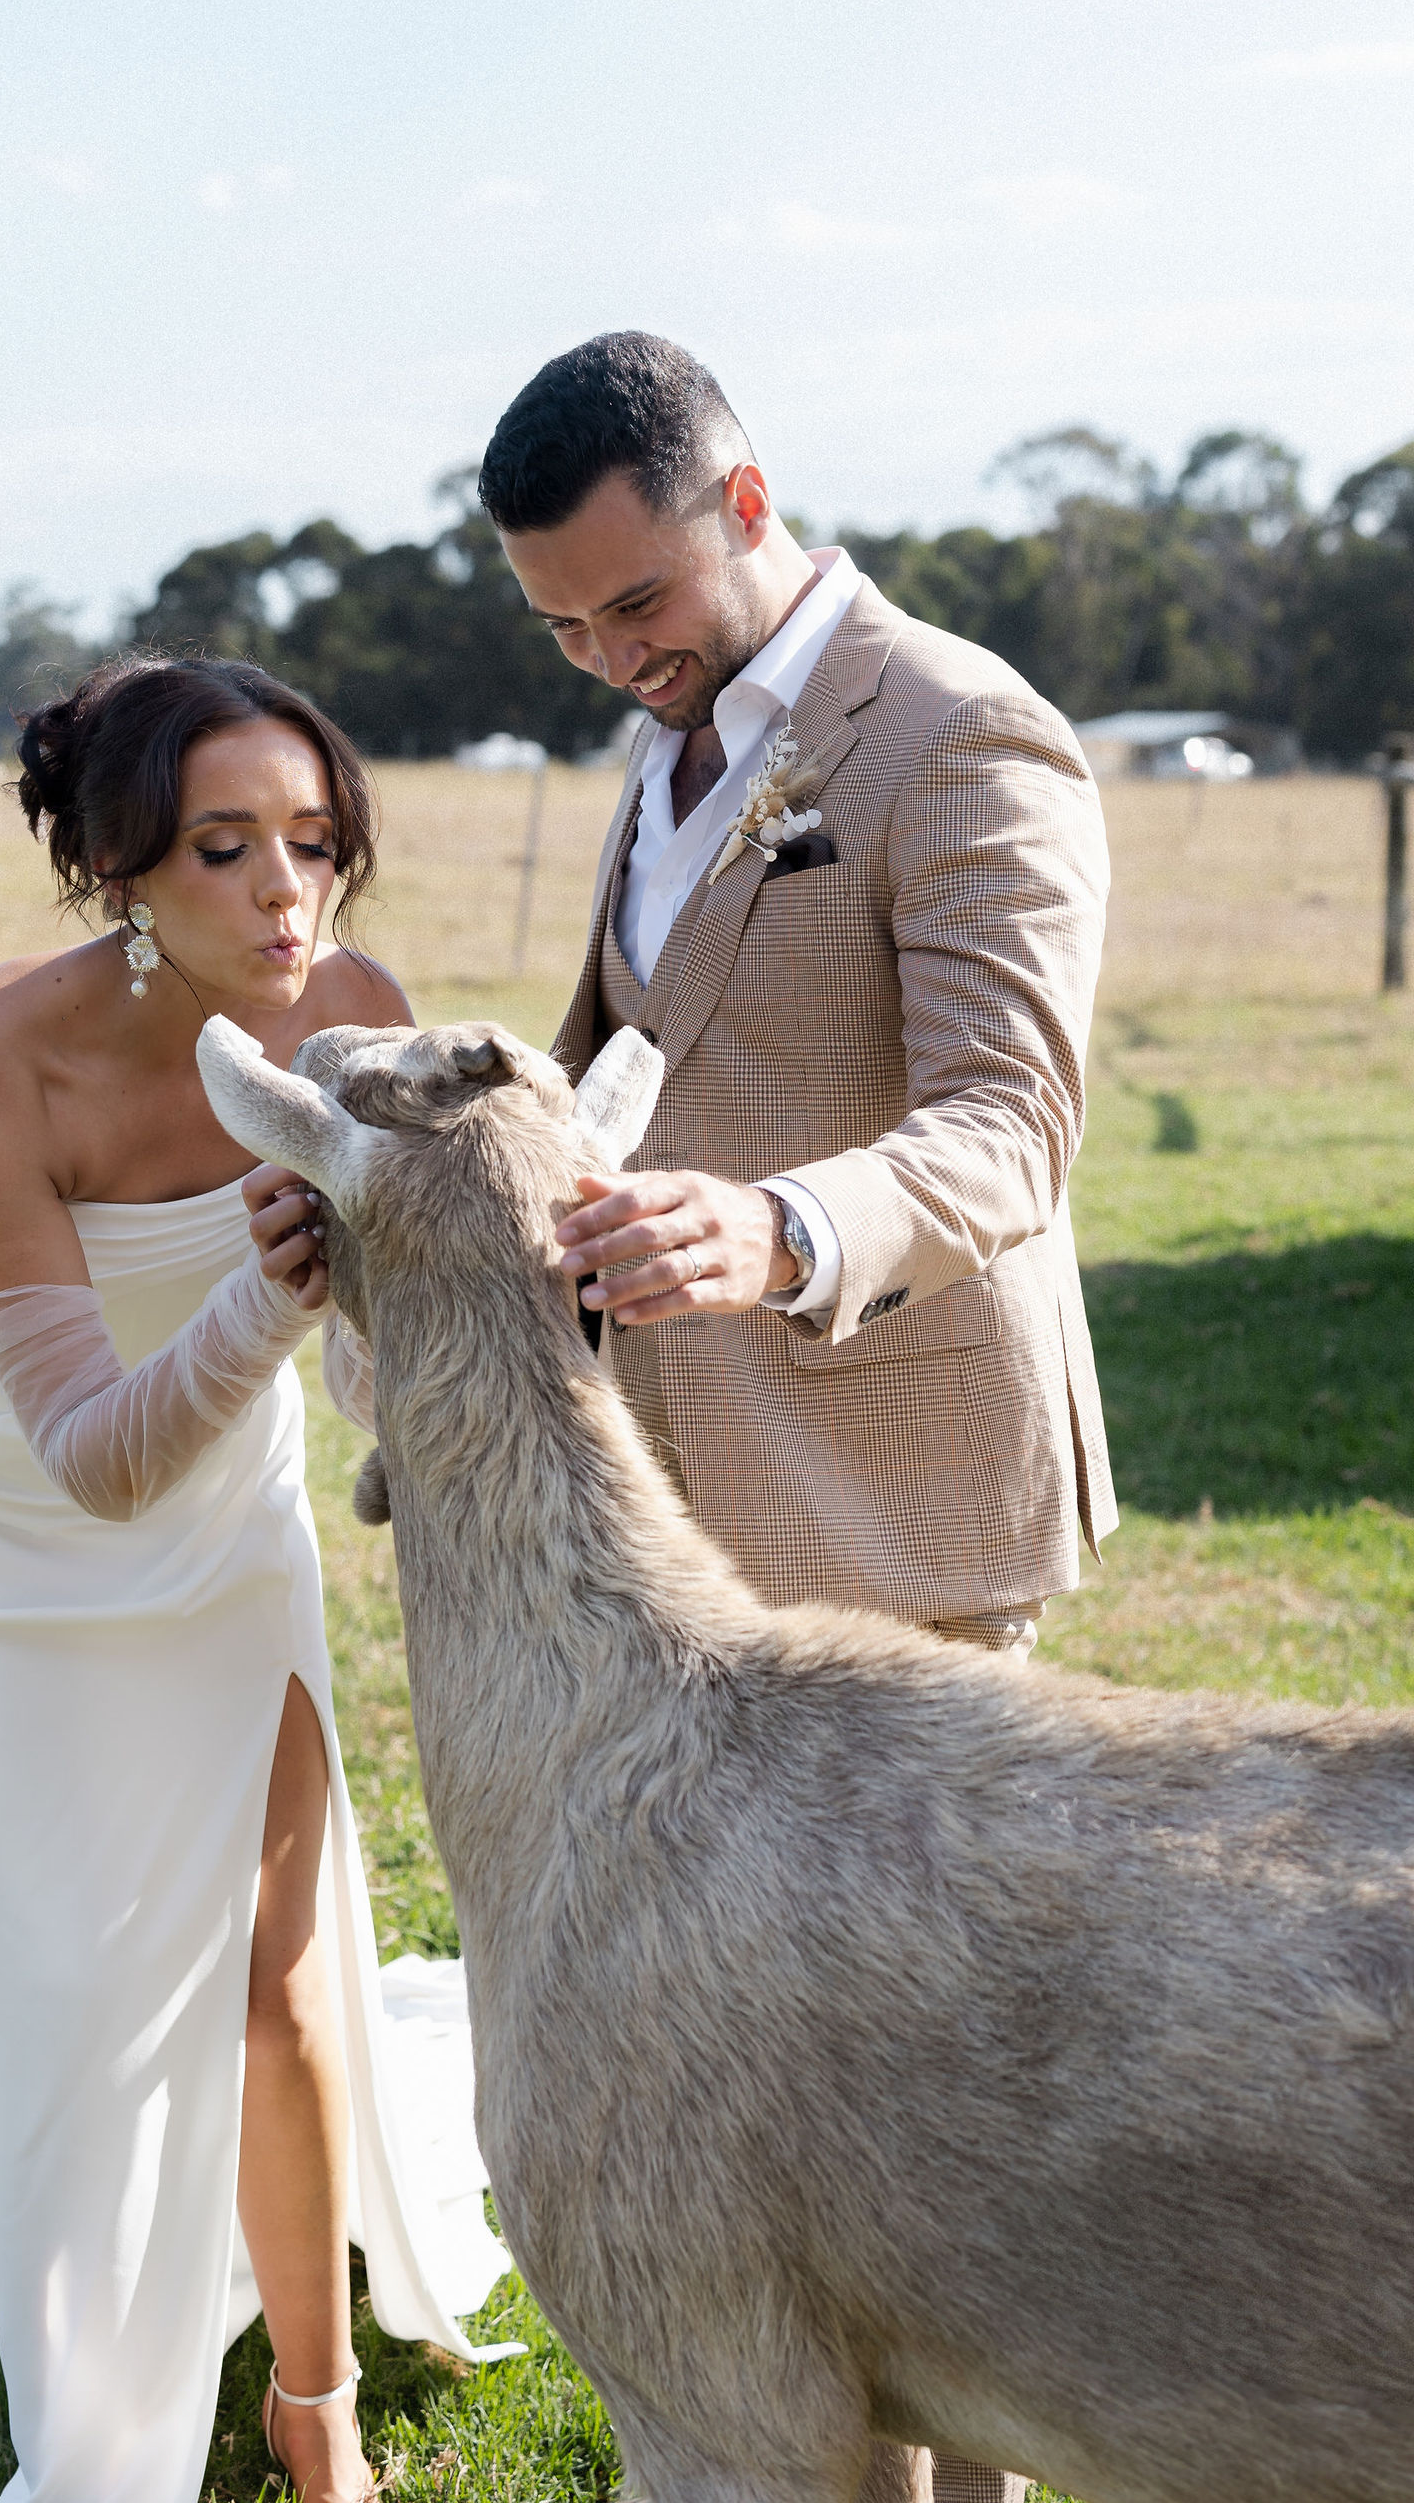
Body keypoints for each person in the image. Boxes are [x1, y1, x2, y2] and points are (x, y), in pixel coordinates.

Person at [480, 330, 1116, 2503]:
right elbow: (639, 1060)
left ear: (747, 504)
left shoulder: (962, 732)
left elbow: (1006, 1127)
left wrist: (773, 1229)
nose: (607, 659)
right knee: (794, 2125)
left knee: (945, 2134)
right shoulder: (668, 739)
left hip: (898, 1503)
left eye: (634, 604)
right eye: (562, 630)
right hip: (697, 1521)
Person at [0, 653, 511, 2503]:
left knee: (280, 1981)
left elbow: (371, 1361)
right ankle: (101, 2429)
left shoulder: (356, 1019)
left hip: (224, 1525)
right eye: (225, 849)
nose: (287, 892)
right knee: (70, 1991)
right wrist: (266, 1298)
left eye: (315, 840)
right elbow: (90, 1456)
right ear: (123, 871)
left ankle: (317, 2410)